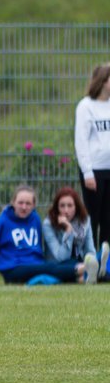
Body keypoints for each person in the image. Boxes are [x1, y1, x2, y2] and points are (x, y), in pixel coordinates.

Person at [0, 185, 91, 284]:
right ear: (13, 203)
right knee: (50, 268)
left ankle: (82, 279)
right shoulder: (0, 222)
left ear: (34, 205)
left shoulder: (35, 219)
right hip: (13, 268)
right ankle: (84, 269)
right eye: (20, 203)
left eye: (28, 203)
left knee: (67, 263)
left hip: (36, 264)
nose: (24, 207)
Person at [74, 62, 110, 268]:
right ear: (103, 81)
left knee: (108, 219)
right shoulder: (86, 106)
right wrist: (87, 172)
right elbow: (81, 141)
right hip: (94, 172)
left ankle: (106, 264)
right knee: (92, 218)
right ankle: (89, 261)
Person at [41, 186, 98, 283]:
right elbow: (61, 257)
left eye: (70, 205)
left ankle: (87, 276)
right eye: (62, 206)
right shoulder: (48, 224)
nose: (66, 210)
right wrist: (68, 230)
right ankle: (88, 274)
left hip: (79, 261)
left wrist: (91, 260)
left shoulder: (85, 220)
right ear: (56, 207)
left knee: (97, 263)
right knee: (73, 264)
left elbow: (90, 250)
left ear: (76, 207)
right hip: (58, 265)